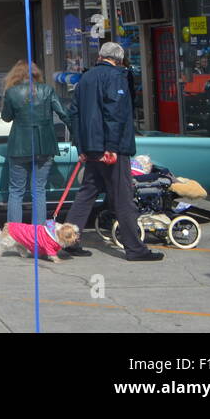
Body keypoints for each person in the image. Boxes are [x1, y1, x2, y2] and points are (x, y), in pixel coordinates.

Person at [63, 42, 162, 262]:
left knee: (86, 194)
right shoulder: (116, 76)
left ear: (100, 56)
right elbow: (114, 113)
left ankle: (69, 241)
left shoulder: (85, 78)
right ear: (119, 58)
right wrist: (112, 147)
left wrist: (82, 147)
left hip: (91, 148)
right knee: (123, 197)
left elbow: (74, 114)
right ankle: (135, 249)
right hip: (110, 149)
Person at [0, 60, 69, 225]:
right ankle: (37, 234)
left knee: (16, 192)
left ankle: (15, 235)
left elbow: (6, 117)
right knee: (39, 191)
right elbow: (63, 113)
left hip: (19, 147)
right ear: (36, 74)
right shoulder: (47, 90)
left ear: (15, 75)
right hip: (44, 146)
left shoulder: (11, 92)